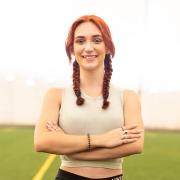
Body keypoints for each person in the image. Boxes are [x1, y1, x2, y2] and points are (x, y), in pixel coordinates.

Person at [34, 15, 144, 180]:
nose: (88, 47)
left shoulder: (128, 97)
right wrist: (103, 140)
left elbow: (135, 145)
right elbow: (42, 141)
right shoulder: (56, 95)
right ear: (72, 49)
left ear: (107, 46)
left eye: (97, 40)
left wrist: (66, 144)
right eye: (80, 41)